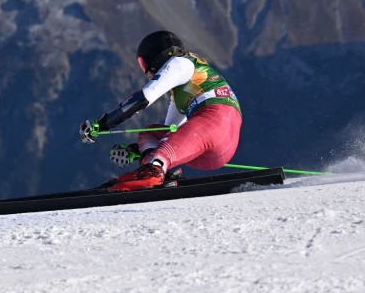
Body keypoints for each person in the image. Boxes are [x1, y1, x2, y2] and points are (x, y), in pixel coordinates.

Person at [78, 30, 242, 192]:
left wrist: (102, 123)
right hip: (220, 146)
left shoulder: (179, 63)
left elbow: (144, 97)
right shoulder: (182, 91)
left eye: (144, 64)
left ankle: (153, 172)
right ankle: (156, 169)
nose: (146, 72)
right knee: (148, 133)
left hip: (214, 121)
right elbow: (169, 136)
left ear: (157, 58)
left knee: (159, 143)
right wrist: (136, 150)